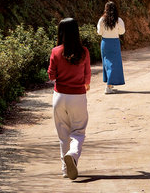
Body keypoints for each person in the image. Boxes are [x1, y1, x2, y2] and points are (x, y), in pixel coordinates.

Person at [47, 17, 91, 180]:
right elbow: (87, 75)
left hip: (59, 96)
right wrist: (85, 84)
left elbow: (51, 75)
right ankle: (72, 154)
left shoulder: (56, 51)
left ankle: (65, 170)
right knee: (78, 132)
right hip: (78, 96)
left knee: (63, 134)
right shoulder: (84, 51)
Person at [96, 1, 125, 94]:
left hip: (105, 43)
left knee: (107, 63)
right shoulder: (118, 20)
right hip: (115, 42)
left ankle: (110, 83)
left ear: (106, 9)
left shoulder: (102, 20)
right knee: (114, 64)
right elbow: (122, 31)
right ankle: (108, 87)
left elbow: (99, 32)